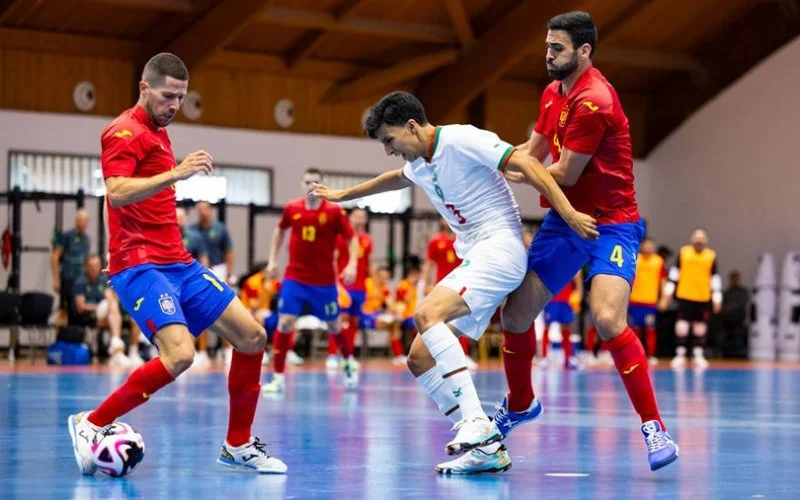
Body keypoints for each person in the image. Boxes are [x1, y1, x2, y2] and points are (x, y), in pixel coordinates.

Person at [311, 90, 596, 473]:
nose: (389, 149)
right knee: (419, 358)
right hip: (476, 257)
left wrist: (569, 212)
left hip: (500, 248)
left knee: (427, 314)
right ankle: (487, 450)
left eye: (389, 140)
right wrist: (345, 195)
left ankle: (477, 421)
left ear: (411, 126)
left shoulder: (461, 139)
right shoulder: (418, 162)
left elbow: (526, 163)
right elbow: (393, 179)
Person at [66, 52, 286, 475]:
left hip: (178, 263)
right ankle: (90, 423)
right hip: (140, 265)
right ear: (144, 87)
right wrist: (176, 175)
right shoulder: (122, 132)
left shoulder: (159, 130)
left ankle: (237, 445)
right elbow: (116, 192)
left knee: (253, 336)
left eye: (181, 98)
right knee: (181, 355)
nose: (174, 106)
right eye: (168, 96)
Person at [499, 11, 679, 472]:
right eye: (546, 46)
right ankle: (520, 403)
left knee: (605, 318)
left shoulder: (594, 99)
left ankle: (654, 427)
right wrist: (495, 161)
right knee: (515, 314)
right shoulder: (551, 93)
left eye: (556, 49)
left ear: (583, 51)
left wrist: (502, 167)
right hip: (565, 217)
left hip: (611, 224)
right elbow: (535, 150)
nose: (547, 55)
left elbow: (563, 171)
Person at [262, 167, 360, 393]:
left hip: (324, 282)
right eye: (307, 182)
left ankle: (347, 360)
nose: (311, 186)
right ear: (301, 184)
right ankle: (278, 378)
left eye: (315, 182)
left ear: (321, 185)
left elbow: (351, 238)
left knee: (335, 325)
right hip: (295, 278)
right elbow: (279, 231)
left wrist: (352, 263)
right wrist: (272, 260)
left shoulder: (334, 212)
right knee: (285, 322)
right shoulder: (292, 208)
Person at [660, 229, 722, 369]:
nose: (699, 241)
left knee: (700, 327)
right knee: (682, 325)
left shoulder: (710, 256)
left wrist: (717, 298)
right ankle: (680, 354)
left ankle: (698, 354)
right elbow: (675, 274)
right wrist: (667, 294)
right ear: (692, 239)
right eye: (697, 238)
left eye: (702, 238)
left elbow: (714, 278)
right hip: (685, 295)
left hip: (703, 296)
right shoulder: (684, 253)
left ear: (706, 241)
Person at [422, 219, 477, 369]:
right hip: (441, 286)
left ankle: (463, 355)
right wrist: (425, 284)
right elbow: (429, 264)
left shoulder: (464, 239)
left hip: (461, 286)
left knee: (461, 320)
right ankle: (438, 356)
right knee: (439, 322)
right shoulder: (435, 241)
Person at [72, 254, 141, 367]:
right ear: (86, 267)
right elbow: (81, 307)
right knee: (110, 304)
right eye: (91, 266)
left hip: (110, 313)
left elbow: (113, 296)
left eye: (96, 265)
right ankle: (117, 347)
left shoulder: (104, 279)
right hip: (92, 313)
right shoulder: (80, 281)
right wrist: (99, 305)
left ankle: (132, 352)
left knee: (135, 318)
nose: (94, 268)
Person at [191, 201, 236, 366]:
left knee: (223, 310)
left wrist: (229, 274)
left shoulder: (220, 229)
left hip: (219, 270)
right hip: (198, 272)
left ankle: (227, 349)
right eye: (199, 210)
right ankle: (202, 351)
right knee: (200, 309)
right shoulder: (192, 231)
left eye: (205, 209)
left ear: (211, 211)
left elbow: (229, 252)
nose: (203, 212)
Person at [328, 209, 373, 369]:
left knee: (354, 321)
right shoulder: (341, 237)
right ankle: (333, 354)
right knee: (340, 321)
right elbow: (333, 260)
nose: (359, 220)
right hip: (343, 285)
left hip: (360, 286)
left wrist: (371, 283)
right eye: (356, 217)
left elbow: (369, 263)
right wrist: (335, 283)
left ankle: (349, 354)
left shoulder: (367, 239)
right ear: (350, 219)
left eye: (363, 217)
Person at [177, 207, 212, 368]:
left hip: (191, 281)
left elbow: (203, 260)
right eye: (175, 217)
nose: (178, 220)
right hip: (172, 284)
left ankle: (202, 351)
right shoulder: (166, 238)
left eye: (181, 217)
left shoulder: (195, 237)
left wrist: (203, 279)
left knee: (200, 312)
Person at [629, 238, 666, 366]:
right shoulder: (635, 258)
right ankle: (634, 354)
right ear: (642, 246)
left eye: (651, 245)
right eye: (646, 245)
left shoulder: (658, 261)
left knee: (650, 329)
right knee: (635, 330)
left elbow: (663, 282)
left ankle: (651, 355)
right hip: (635, 300)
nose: (648, 248)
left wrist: (664, 299)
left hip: (650, 302)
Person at [51, 210, 91, 319]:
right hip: (67, 278)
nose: (83, 224)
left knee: (77, 310)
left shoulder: (87, 240)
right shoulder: (67, 236)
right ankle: (61, 334)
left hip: (80, 280)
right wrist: (56, 279)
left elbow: (87, 261)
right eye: (81, 221)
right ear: (76, 221)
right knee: (64, 309)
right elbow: (55, 257)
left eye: (86, 221)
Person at [541, 273, 582, 369]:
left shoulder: (573, 260)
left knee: (567, 327)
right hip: (550, 297)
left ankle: (568, 358)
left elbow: (578, 279)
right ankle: (544, 358)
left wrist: (579, 295)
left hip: (567, 299)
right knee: (547, 325)